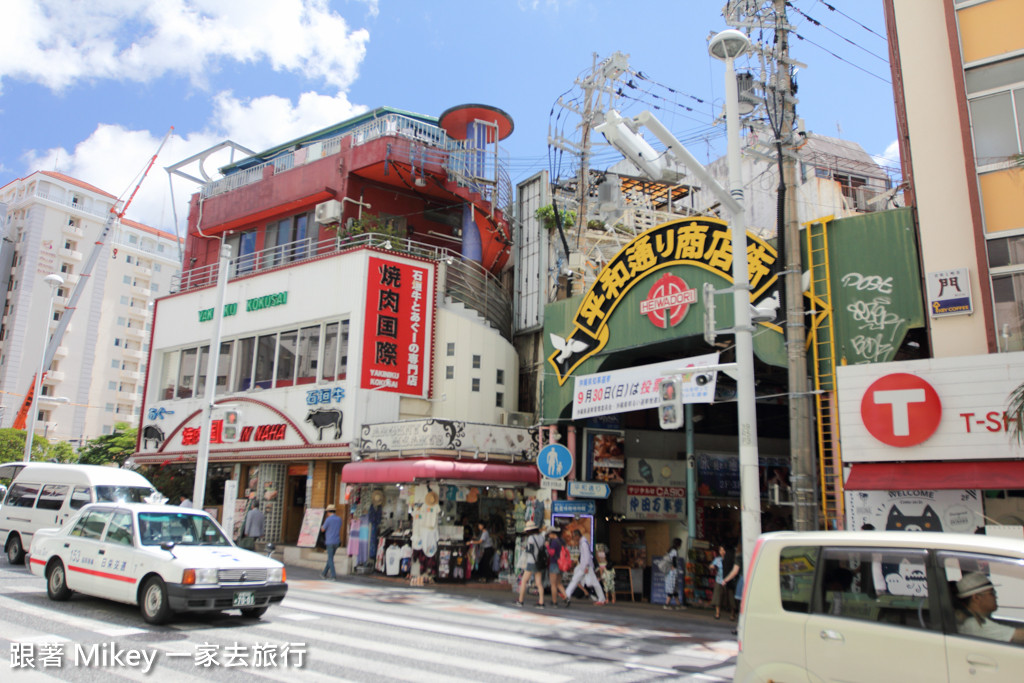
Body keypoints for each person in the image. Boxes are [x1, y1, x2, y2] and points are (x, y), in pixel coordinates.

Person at [955, 572, 1024, 643]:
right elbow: (1019, 636)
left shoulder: (975, 620)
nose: (996, 597)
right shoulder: (974, 624)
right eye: (992, 593)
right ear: (976, 597)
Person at [564, 528, 605, 607]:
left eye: (574, 536)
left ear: (577, 536)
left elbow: (587, 556)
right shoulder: (583, 542)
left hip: (585, 566)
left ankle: (601, 599)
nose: (573, 538)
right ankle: (566, 594)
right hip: (584, 566)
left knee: (581, 581)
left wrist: (586, 566)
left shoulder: (583, 543)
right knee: (576, 579)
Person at [515, 521, 547, 608]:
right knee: (539, 583)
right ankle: (541, 602)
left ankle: (520, 601)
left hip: (531, 561)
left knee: (524, 581)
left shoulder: (530, 539)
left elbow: (530, 550)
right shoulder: (541, 538)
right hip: (539, 562)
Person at [547, 527, 570, 606]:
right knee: (558, 583)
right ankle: (566, 598)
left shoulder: (554, 542)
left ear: (553, 534)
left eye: (549, 534)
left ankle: (554, 602)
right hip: (561, 565)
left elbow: (552, 553)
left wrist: (547, 546)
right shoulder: (562, 541)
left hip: (554, 564)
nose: (549, 535)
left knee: (553, 584)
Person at [710, 544, 734, 619]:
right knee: (718, 596)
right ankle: (717, 613)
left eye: (723, 550)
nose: (722, 552)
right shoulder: (717, 559)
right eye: (720, 550)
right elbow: (711, 566)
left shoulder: (730, 559)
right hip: (719, 580)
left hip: (728, 580)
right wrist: (712, 567)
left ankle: (732, 614)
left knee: (730, 598)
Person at [321, 505, 343, 580]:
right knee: (330, 558)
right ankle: (323, 573)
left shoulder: (328, 519)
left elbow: (323, 529)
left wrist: (321, 527)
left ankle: (333, 575)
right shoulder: (339, 519)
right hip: (337, 541)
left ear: (328, 512)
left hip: (330, 541)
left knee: (330, 559)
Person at [663, 538, 683, 610]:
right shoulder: (674, 551)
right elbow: (674, 560)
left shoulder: (670, 550)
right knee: (672, 588)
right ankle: (666, 604)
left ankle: (678, 604)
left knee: (674, 588)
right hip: (672, 572)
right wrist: (674, 567)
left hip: (670, 572)